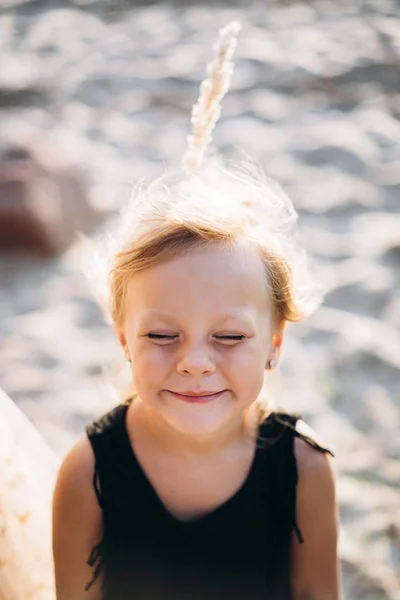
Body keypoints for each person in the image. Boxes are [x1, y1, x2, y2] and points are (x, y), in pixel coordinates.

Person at [52, 21, 341, 600]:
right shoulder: (89, 474)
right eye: (162, 334)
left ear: (275, 344)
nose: (194, 362)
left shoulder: (303, 469)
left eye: (230, 338)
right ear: (123, 340)